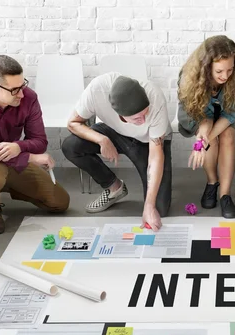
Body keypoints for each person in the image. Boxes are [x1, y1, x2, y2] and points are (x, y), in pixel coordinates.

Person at [0, 55, 70, 234]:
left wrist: (18, 147)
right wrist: (29, 157)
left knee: (60, 202)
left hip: (12, 159)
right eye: (15, 89)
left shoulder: (29, 98)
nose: (22, 93)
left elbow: (40, 141)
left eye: (23, 85)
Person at [62, 72, 172, 231]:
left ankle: (150, 204)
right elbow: (73, 123)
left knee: (159, 208)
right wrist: (102, 139)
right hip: (114, 132)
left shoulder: (155, 98)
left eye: (145, 113)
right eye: (137, 118)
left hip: (149, 141)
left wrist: (149, 205)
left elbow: (155, 155)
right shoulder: (96, 90)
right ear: (120, 115)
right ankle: (114, 187)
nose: (143, 119)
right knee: (71, 146)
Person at [177, 35, 235, 219]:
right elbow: (197, 115)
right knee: (209, 134)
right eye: (219, 71)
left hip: (227, 116)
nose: (225, 76)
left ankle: (225, 194)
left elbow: (231, 114)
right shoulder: (188, 77)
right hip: (197, 116)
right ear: (206, 66)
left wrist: (204, 141)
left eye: (230, 70)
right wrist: (204, 133)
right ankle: (212, 182)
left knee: (227, 135)